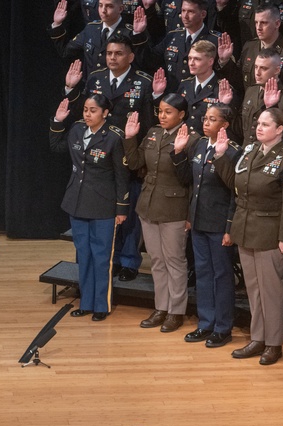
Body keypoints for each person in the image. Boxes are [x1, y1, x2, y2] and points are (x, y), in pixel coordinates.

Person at [213, 108, 283, 365]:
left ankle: (274, 343)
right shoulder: (250, 150)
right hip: (246, 227)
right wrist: (220, 155)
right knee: (253, 289)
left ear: (280, 129)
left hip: (270, 232)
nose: (258, 128)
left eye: (265, 124)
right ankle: (257, 338)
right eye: (258, 123)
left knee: (270, 291)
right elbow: (236, 185)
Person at [63, 34, 153, 282]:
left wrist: (142, 159)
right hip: (98, 158)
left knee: (127, 214)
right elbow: (86, 114)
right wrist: (70, 89)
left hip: (128, 156)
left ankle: (128, 261)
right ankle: (106, 261)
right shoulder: (96, 78)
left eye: (118, 53)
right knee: (101, 213)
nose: (112, 58)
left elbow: (147, 124)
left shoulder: (143, 83)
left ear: (130, 57)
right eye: (109, 53)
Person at [123, 95, 199, 332]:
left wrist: (178, 152)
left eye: (168, 112)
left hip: (174, 207)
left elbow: (190, 180)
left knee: (174, 261)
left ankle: (176, 311)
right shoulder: (154, 132)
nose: (162, 116)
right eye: (161, 111)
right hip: (148, 204)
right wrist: (129, 137)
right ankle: (161, 307)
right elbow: (135, 163)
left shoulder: (191, 138)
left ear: (181, 115)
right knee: (156, 260)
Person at [49, 95, 129, 321]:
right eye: (85, 109)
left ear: (105, 113)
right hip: (77, 201)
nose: (87, 114)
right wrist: (57, 120)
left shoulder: (113, 137)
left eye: (93, 110)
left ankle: (101, 305)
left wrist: (121, 208)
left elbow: (122, 176)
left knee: (102, 257)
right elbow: (56, 147)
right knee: (83, 255)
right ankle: (86, 301)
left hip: (103, 204)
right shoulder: (76, 130)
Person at [173, 104, 240, 348]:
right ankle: (205, 323)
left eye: (213, 119)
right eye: (205, 118)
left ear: (225, 125)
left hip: (220, 223)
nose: (206, 122)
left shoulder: (232, 151)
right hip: (199, 220)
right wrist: (179, 154)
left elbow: (235, 192)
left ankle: (223, 327)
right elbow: (189, 183)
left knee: (222, 276)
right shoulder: (199, 144)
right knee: (202, 272)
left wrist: (230, 227)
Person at [49, 0, 147, 78]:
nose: (103, 10)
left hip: (119, 90)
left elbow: (142, 63)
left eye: (109, 6)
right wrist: (57, 24)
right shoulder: (91, 29)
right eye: (100, 5)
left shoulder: (132, 33)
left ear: (120, 9)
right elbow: (65, 51)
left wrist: (138, 35)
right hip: (92, 89)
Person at [239, 48, 283, 145]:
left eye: (264, 68)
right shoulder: (251, 91)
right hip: (247, 154)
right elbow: (240, 128)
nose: (257, 73)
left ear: (277, 70)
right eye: (256, 67)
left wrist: (271, 108)